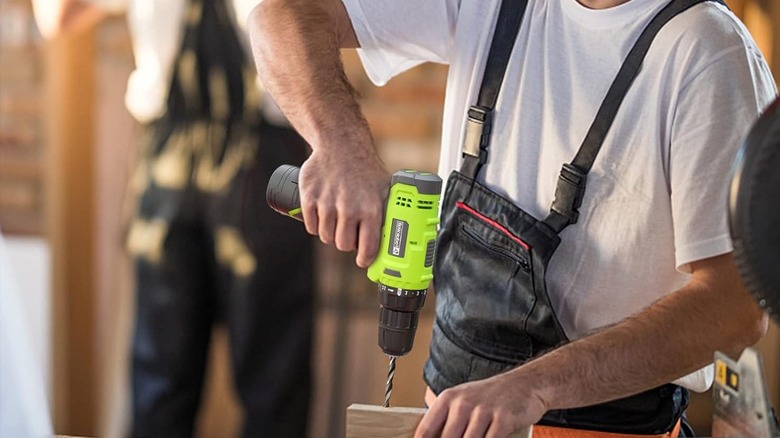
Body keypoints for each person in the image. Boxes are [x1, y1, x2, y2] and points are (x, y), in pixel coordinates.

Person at [247, 0, 777, 436]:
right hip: (449, 419)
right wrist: (340, 144)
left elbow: (734, 306)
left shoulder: (708, 52)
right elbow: (283, 15)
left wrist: (534, 386)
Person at [33, 1, 315, 436]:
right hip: (224, 158)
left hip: (231, 159)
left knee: (175, 382)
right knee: (262, 382)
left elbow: (56, 15)